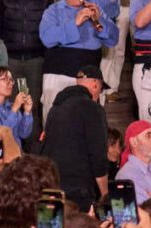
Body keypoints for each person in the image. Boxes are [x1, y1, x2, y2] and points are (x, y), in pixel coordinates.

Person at [38, 64, 107, 209]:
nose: (99, 96)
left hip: (52, 188)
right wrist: (105, 195)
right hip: (79, 193)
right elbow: (98, 156)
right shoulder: (93, 109)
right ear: (95, 85)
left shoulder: (55, 109)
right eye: (100, 90)